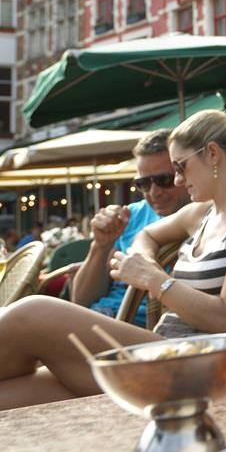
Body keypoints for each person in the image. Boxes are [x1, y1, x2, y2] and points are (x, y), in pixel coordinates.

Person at [0, 109, 226, 416]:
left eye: (180, 168)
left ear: (213, 153)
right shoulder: (202, 213)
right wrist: (144, 258)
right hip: (163, 352)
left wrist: (155, 280)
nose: (179, 180)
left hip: (207, 366)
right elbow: (147, 237)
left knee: (26, 314)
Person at [71, 129, 191, 321]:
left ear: (184, 174)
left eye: (164, 180)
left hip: (139, 326)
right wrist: (100, 246)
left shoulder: (205, 217)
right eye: (143, 183)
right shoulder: (130, 215)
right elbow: (80, 300)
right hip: (101, 316)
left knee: (29, 313)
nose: (154, 192)